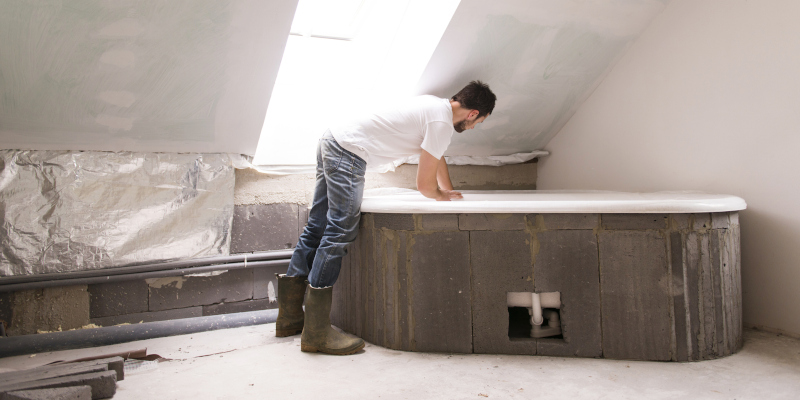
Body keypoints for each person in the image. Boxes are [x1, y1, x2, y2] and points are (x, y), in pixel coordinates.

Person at [275, 81, 496, 355]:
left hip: (332, 139)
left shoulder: (432, 106)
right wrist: (439, 196)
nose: (474, 128)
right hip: (349, 152)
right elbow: (425, 187)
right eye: (479, 122)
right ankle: (316, 332)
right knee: (339, 232)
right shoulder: (441, 123)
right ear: (473, 113)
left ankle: (289, 318)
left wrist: (447, 190)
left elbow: (436, 157)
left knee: (317, 227)